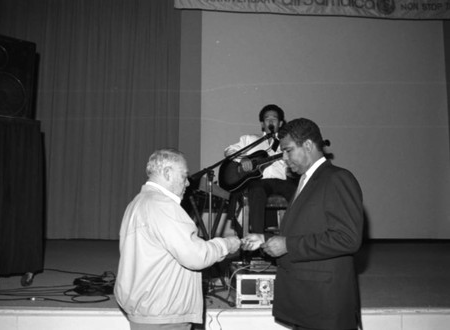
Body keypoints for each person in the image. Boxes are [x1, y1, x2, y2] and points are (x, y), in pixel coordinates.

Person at [242, 118, 364, 330]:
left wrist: (288, 245)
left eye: (288, 151)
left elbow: (347, 239)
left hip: (326, 306)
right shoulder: (305, 180)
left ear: (308, 145)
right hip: (308, 302)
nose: (284, 158)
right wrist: (267, 239)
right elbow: (306, 229)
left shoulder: (337, 178)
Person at [115, 148, 241, 330]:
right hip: (164, 315)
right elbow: (196, 256)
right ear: (167, 173)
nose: (188, 183)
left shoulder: (137, 203)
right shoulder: (163, 206)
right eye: (184, 176)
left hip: (147, 311)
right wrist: (227, 244)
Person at [223, 104, 297, 234]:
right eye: (266, 118)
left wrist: (290, 161)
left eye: (274, 118)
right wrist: (243, 159)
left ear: (280, 123)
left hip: (281, 181)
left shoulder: (287, 144)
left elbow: (293, 168)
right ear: (262, 124)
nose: (270, 121)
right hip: (259, 182)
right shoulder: (250, 140)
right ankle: (257, 237)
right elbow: (229, 150)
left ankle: (294, 236)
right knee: (256, 190)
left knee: (297, 192)